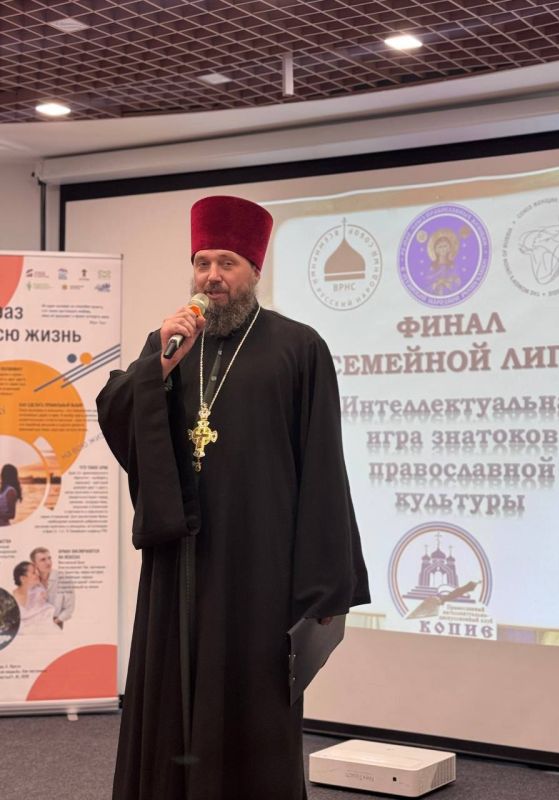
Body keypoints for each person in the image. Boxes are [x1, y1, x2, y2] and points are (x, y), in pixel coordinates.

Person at [96, 195, 370, 800]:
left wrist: (324, 582)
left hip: (258, 567)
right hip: (180, 559)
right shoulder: (170, 344)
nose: (212, 277)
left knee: (251, 704)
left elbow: (324, 465)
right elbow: (115, 411)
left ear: (254, 270)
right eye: (202, 263)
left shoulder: (298, 348)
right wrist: (156, 367)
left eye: (227, 263)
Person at [29, 547, 75, 629]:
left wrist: (55, 622)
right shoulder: (30, 579)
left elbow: (69, 608)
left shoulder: (64, 579)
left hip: (55, 622)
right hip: (34, 623)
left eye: (49, 558)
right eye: (43, 560)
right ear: (34, 564)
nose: (48, 562)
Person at [13, 561, 60, 634]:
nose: (38, 574)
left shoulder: (40, 592)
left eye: (37, 572)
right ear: (23, 578)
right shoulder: (11, 598)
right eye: (34, 573)